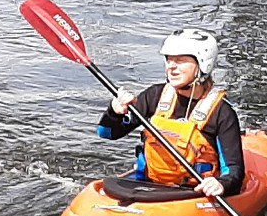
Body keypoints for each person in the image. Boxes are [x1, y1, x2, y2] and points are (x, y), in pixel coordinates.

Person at [96, 28, 245, 198]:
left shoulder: (221, 112)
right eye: (168, 60)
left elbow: (234, 172)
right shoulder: (155, 96)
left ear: (203, 64)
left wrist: (221, 184)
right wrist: (114, 112)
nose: (171, 67)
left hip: (192, 193)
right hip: (148, 186)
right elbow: (107, 133)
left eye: (180, 61)